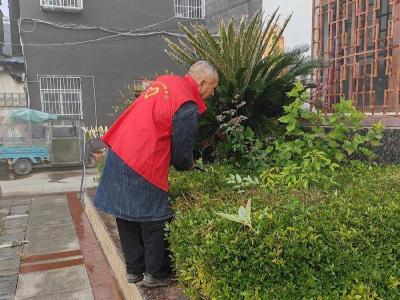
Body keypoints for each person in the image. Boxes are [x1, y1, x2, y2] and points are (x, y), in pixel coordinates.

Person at [93, 61, 219, 288]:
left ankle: (134, 270)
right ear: (201, 83)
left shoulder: (166, 82)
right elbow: (181, 156)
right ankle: (156, 274)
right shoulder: (187, 104)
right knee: (155, 218)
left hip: (120, 148)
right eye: (213, 87)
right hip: (143, 157)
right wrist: (189, 165)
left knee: (126, 213)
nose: (213, 92)